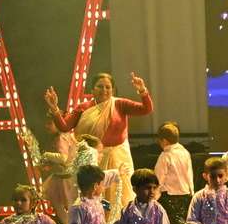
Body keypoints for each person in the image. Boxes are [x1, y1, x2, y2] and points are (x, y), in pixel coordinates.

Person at [45, 72, 153, 212]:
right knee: (94, 196)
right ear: (92, 90)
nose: (104, 90)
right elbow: (64, 127)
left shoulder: (120, 104)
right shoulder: (83, 107)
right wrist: (54, 108)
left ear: (112, 90)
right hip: (94, 160)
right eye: (100, 86)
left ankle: (123, 222)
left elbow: (146, 109)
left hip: (118, 158)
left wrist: (142, 90)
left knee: (121, 198)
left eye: (108, 87)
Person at [153, 122, 193, 224]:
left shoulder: (165, 156)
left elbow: (159, 176)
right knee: (178, 215)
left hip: (170, 192)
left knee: (171, 217)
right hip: (184, 191)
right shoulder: (185, 152)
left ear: (164, 141)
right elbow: (189, 172)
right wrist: (191, 190)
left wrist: (155, 193)